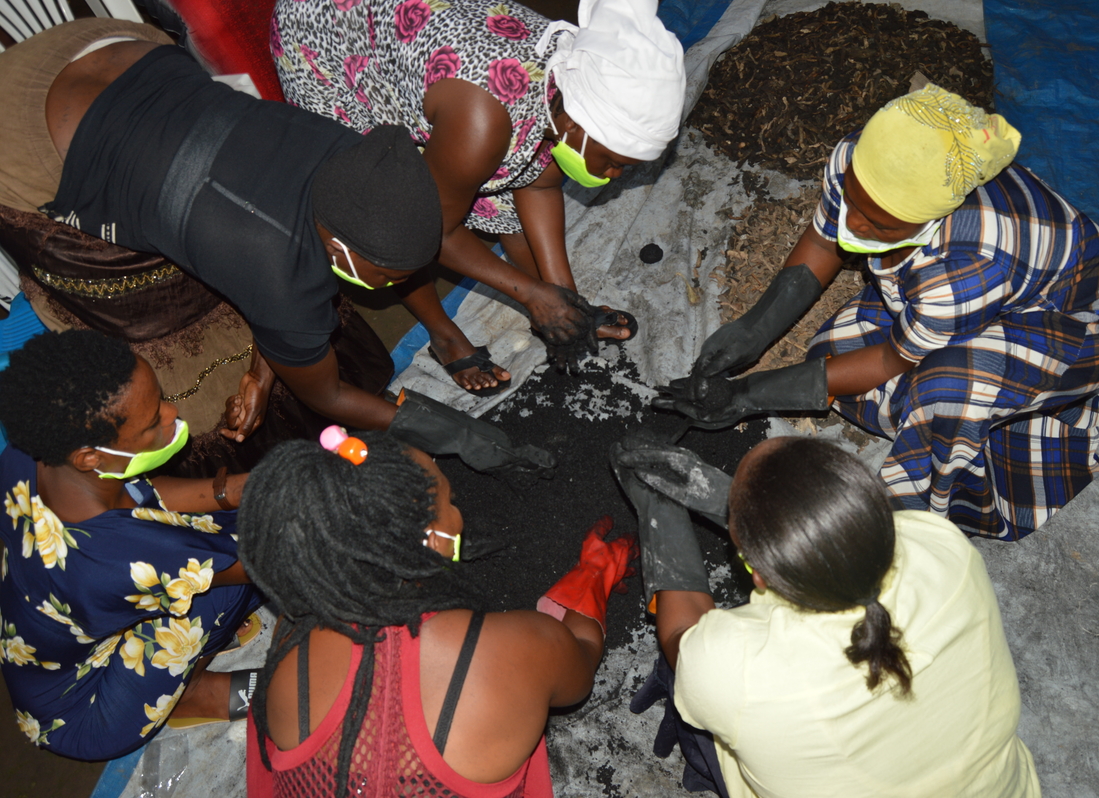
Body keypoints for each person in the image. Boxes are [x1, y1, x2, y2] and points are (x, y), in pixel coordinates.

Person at [0, 19, 551, 478]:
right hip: (23, 122)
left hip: (114, 49)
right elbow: (327, 395)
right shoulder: (278, 275)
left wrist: (263, 373)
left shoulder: (350, 153)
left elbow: (280, 275)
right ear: (337, 246)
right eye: (386, 276)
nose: (392, 288)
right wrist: (456, 431)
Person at [655, 84, 1099, 541]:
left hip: (1082, 321)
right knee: (830, 355)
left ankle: (975, 473)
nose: (853, 223)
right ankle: (970, 399)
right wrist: (753, 329)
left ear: (928, 219)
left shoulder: (966, 269)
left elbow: (892, 359)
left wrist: (747, 393)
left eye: (879, 225)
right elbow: (825, 240)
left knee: (948, 390)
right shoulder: (866, 158)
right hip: (974, 295)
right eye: (852, 201)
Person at [272, 0, 686, 388]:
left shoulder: (566, 86)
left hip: (421, 49)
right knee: (392, 225)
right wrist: (528, 294)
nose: (614, 176)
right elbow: (432, 232)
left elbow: (537, 182)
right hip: (335, 35)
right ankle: (444, 335)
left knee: (502, 189)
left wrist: (566, 301)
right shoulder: (482, 125)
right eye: (613, 162)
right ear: (577, 126)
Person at [612, 434, 1042, 798]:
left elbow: (682, 639)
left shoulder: (740, 671)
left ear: (758, 574)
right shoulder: (943, 548)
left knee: (686, 687)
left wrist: (660, 512)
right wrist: (763, 511)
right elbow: (837, 538)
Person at [238, 431, 635, 797]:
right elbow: (580, 663)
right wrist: (592, 578)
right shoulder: (518, 647)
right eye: (451, 502)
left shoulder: (293, 635)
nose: (459, 516)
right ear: (433, 538)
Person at [0, 330, 261, 760]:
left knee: (223, 525)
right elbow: (263, 558)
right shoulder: (119, 562)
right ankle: (190, 692)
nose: (172, 412)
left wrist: (235, 490)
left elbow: (138, 495)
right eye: (152, 420)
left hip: (41, 666)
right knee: (237, 565)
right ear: (91, 456)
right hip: (86, 712)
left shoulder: (29, 455)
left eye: (159, 400)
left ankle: (177, 657)